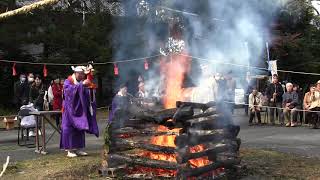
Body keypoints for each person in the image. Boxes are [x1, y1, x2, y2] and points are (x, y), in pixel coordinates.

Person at [60, 66, 99, 157]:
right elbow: (68, 92)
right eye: (80, 74)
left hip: (79, 109)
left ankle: (78, 148)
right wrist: (82, 85)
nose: (82, 76)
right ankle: (69, 150)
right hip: (69, 110)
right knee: (68, 129)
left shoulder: (82, 82)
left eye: (83, 74)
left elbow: (86, 94)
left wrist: (90, 89)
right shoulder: (68, 81)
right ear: (75, 73)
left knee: (80, 128)